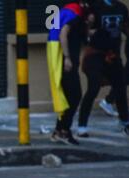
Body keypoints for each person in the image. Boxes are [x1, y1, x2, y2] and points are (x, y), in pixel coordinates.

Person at [78, 0, 129, 137]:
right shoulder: (95, 6)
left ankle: (125, 122)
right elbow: (85, 28)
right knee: (93, 87)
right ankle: (82, 125)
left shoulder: (121, 7)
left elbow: (125, 27)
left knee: (120, 88)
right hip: (96, 54)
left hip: (113, 55)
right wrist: (89, 30)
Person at [47, 0, 88, 145]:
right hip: (64, 60)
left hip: (59, 57)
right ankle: (62, 130)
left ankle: (60, 130)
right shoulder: (76, 12)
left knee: (68, 96)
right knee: (74, 95)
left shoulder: (69, 10)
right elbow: (63, 34)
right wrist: (67, 58)